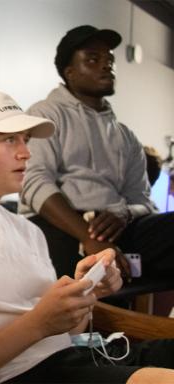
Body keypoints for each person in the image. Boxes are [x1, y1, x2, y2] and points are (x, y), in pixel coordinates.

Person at [0, 89, 174, 383]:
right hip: (17, 375)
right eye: (9, 139)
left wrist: (86, 294)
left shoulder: (28, 230)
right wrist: (38, 322)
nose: (26, 152)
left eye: (26, 139)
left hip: (73, 358)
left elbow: (68, 334)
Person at [19, 25, 174, 279]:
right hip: (60, 225)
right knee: (57, 251)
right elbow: (34, 182)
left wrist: (122, 214)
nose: (106, 65)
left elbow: (142, 201)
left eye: (109, 60)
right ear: (70, 72)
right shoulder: (45, 114)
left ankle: (131, 308)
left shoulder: (126, 136)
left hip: (116, 225)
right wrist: (88, 238)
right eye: (93, 59)